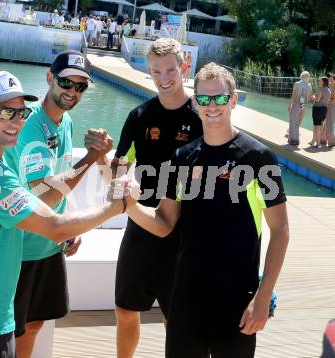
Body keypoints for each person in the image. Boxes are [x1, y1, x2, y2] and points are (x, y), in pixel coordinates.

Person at [0, 70, 126, 358]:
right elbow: (56, 227)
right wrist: (115, 206)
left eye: (21, 113)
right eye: (4, 112)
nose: (16, 122)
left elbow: (43, 207)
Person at [122, 62, 289, 357]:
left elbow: (281, 231)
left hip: (236, 297)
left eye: (220, 98)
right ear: (195, 101)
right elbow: (164, 222)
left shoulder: (259, 158)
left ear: (233, 100)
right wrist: (129, 206)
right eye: (204, 99)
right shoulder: (181, 157)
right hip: (186, 294)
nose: (212, 106)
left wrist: (262, 298)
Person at [97, 38, 203, 358]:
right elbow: (117, 170)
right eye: (156, 71)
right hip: (142, 223)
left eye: (170, 69)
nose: (164, 77)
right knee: (125, 310)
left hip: (184, 233)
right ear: (148, 71)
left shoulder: (201, 116)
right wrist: (117, 180)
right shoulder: (139, 115)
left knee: (179, 318)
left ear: (183, 66)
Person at [4, 51, 112, 358]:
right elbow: (43, 194)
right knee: (11, 329)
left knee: (35, 322)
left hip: (48, 244)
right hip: (20, 247)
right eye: (66, 82)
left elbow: (57, 182)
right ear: (50, 78)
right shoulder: (31, 126)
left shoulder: (65, 123)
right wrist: (91, 157)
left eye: (81, 87)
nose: (72, 92)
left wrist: (65, 229)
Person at [287, 71, 313, 146]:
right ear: (308, 77)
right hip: (303, 105)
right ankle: (295, 139)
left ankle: (292, 139)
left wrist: (290, 105)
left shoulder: (297, 84)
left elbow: (293, 95)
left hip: (296, 104)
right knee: (297, 122)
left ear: (301, 76)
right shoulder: (309, 86)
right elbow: (308, 98)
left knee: (292, 121)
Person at [310, 76, 331, 148]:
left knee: (317, 126)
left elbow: (317, 100)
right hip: (324, 109)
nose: (319, 81)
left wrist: (313, 96)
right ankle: (314, 141)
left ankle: (318, 144)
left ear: (323, 82)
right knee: (320, 125)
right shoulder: (328, 90)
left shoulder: (321, 89)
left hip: (317, 108)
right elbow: (327, 101)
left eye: (320, 80)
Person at [321, 74, 335, 147]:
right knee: (326, 122)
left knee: (330, 124)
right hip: (327, 105)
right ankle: (323, 140)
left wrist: (326, 100)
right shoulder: (329, 85)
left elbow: (333, 100)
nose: (330, 78)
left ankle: (332, 142)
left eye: (331, 78)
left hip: (332, 106)